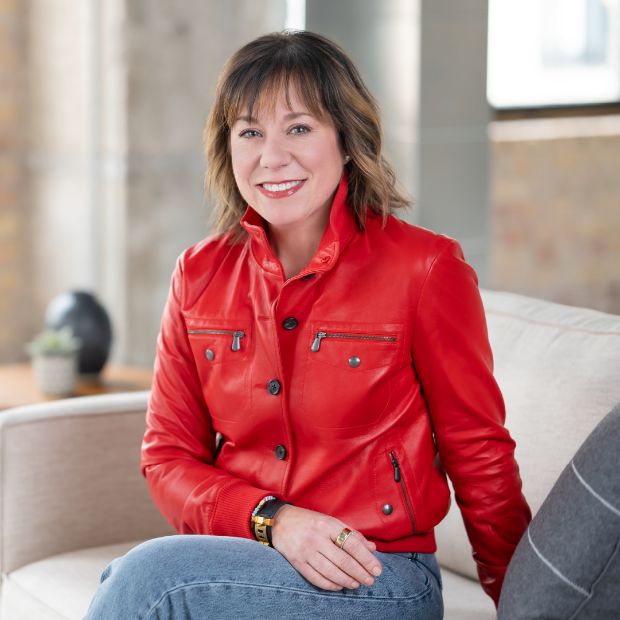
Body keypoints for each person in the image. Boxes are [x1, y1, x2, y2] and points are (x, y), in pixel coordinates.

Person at [84, 30, 531, 620]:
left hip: (379, 573)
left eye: (299, 127)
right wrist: (274, 521)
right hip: (248, 558)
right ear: (228, 148)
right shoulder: (197, 275)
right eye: (250, 131)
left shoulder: (425, 269)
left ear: (346, 140)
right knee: (140, 579)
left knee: (150, 582)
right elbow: (168, 457)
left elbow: (480, 455)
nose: (272, 157)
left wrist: (530, 605)